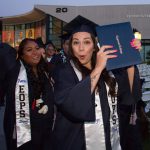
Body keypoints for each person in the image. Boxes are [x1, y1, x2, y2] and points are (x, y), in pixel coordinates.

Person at [52, 15, 143, 150]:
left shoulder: (108, 72)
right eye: (76, 42)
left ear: (94, 46)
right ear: (71, 46)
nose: (81, 48)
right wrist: (98, 68)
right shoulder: (64, 72)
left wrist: (130, 58)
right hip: (77, 142)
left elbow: (129, 96)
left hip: (110, 139)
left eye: (87, 42)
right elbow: (71, 105)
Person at [0, 39, 54, 150]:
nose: (35, 53)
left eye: (37, 48)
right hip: (25, 131)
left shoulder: (44, 72)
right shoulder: (15, 75)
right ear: (22, 55)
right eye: (29, 50)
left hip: (45, 129)